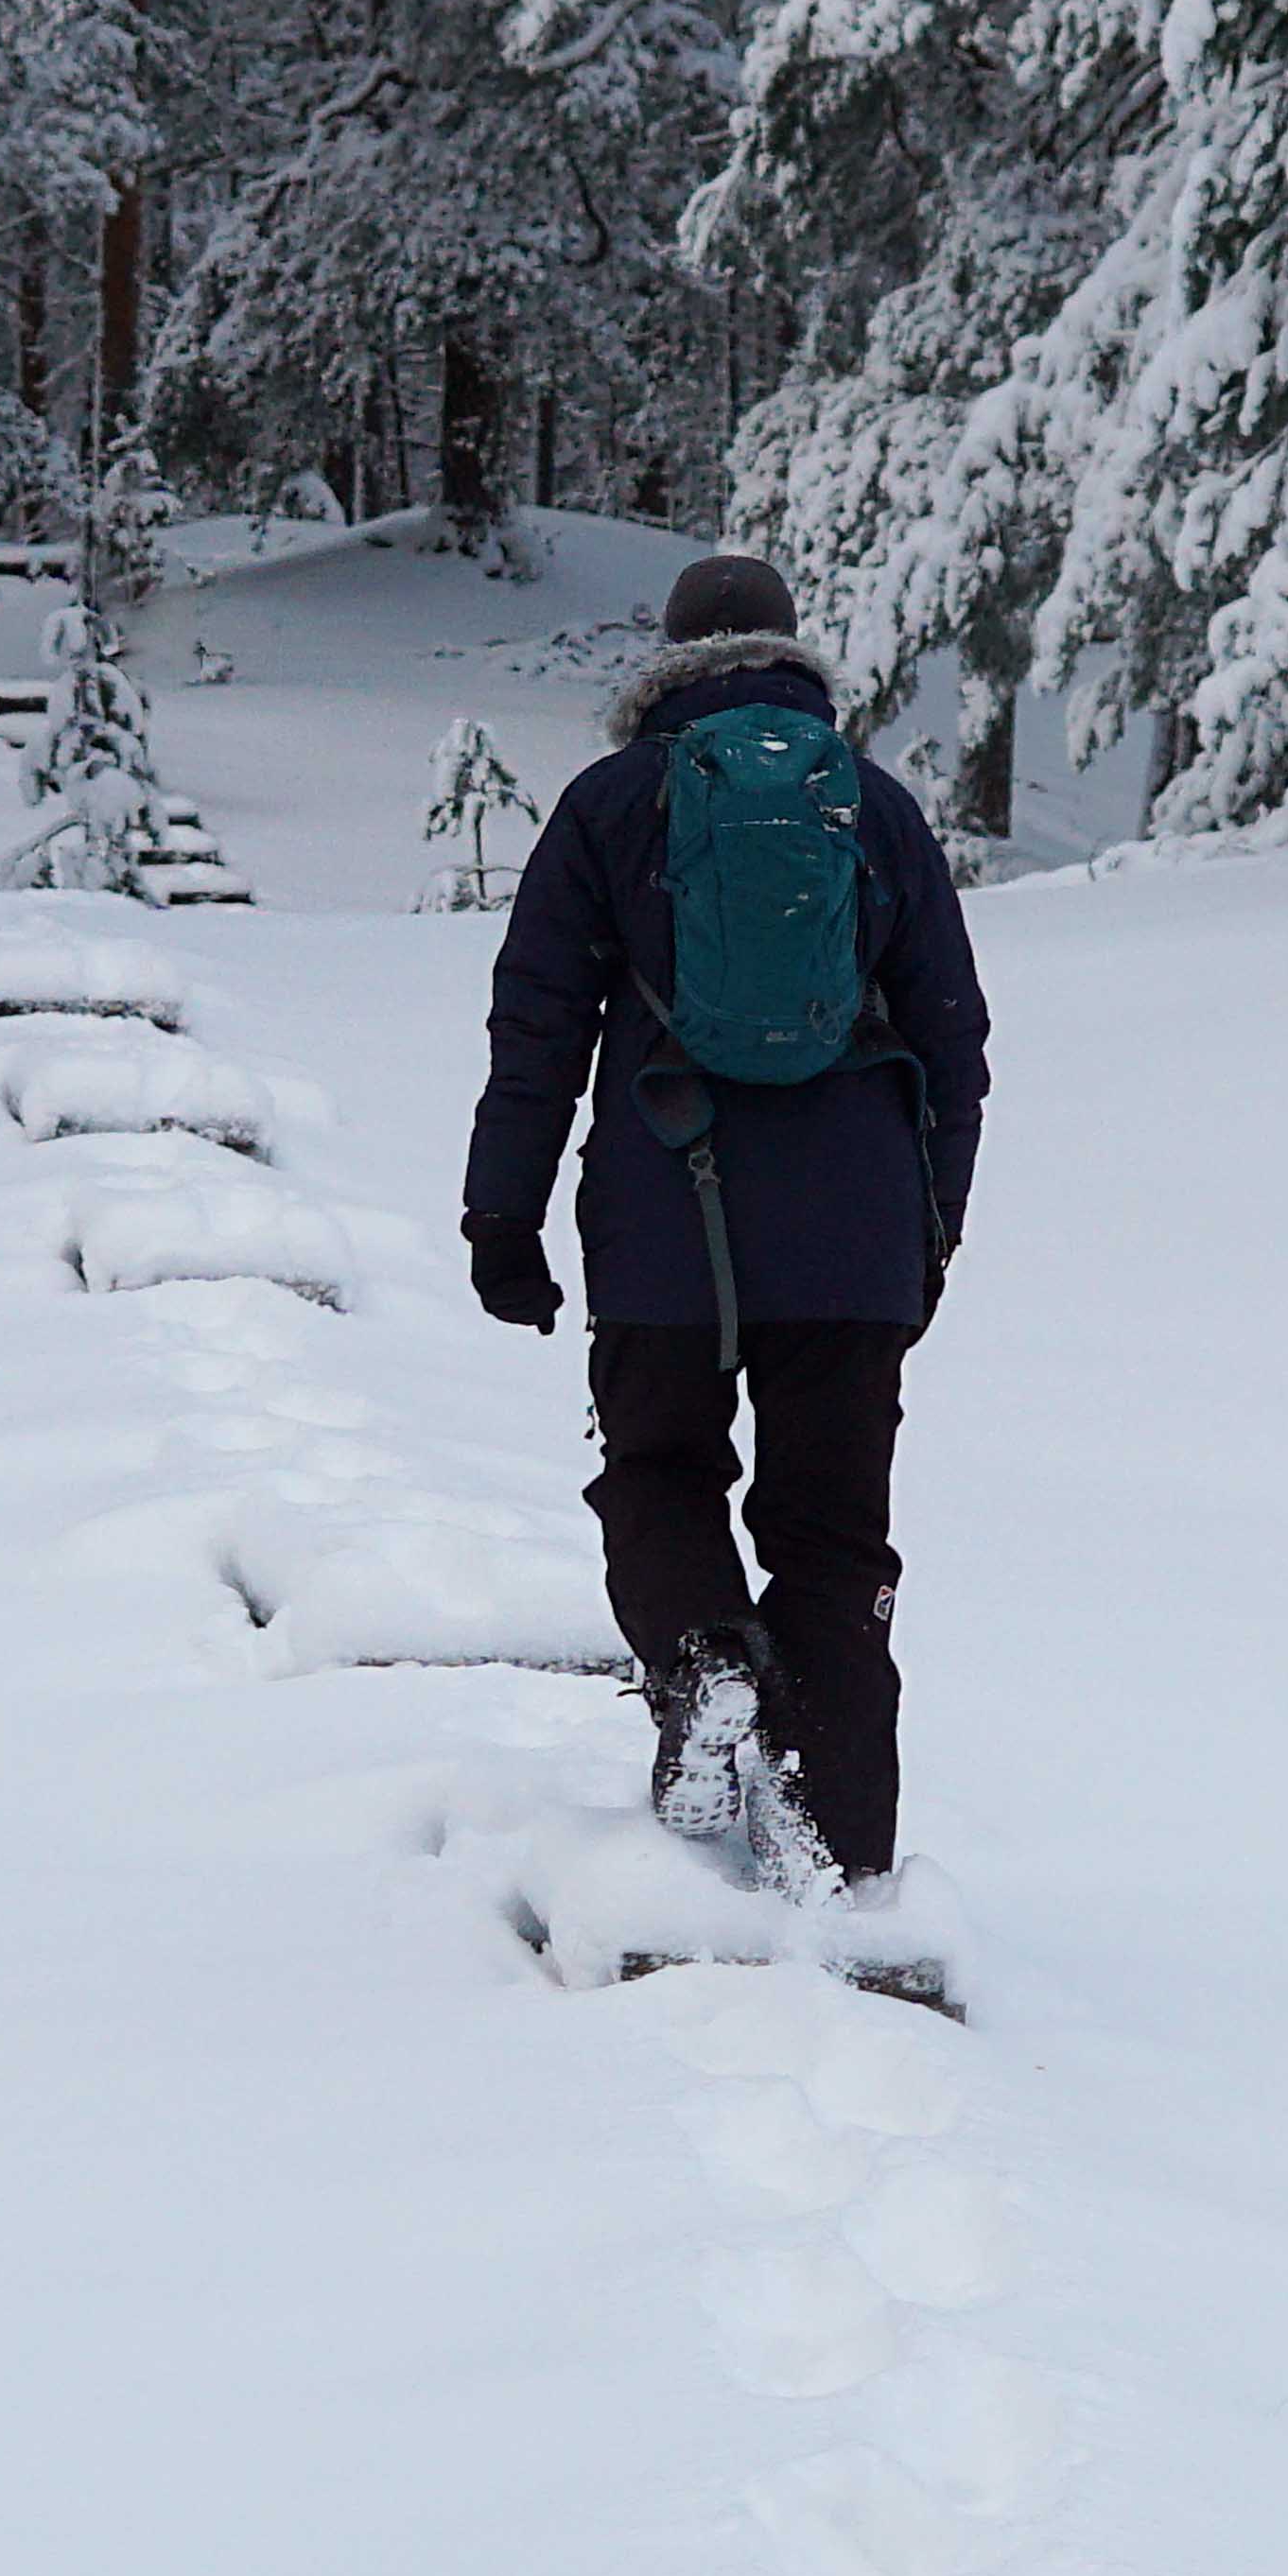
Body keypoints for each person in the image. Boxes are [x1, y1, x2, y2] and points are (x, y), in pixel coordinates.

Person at [461, 553, 990, 1888]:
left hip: (661, 1225)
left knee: (658, 1474)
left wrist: (502, 1215)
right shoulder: (870, 802)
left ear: (669, 654)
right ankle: (840, 1862)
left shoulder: (609, 805)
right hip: (855, 1242)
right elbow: (952, 1038)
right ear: (794, 652)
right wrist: (932, 1230)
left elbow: (537, 1030)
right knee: (830, 1539)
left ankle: (702, 1659)